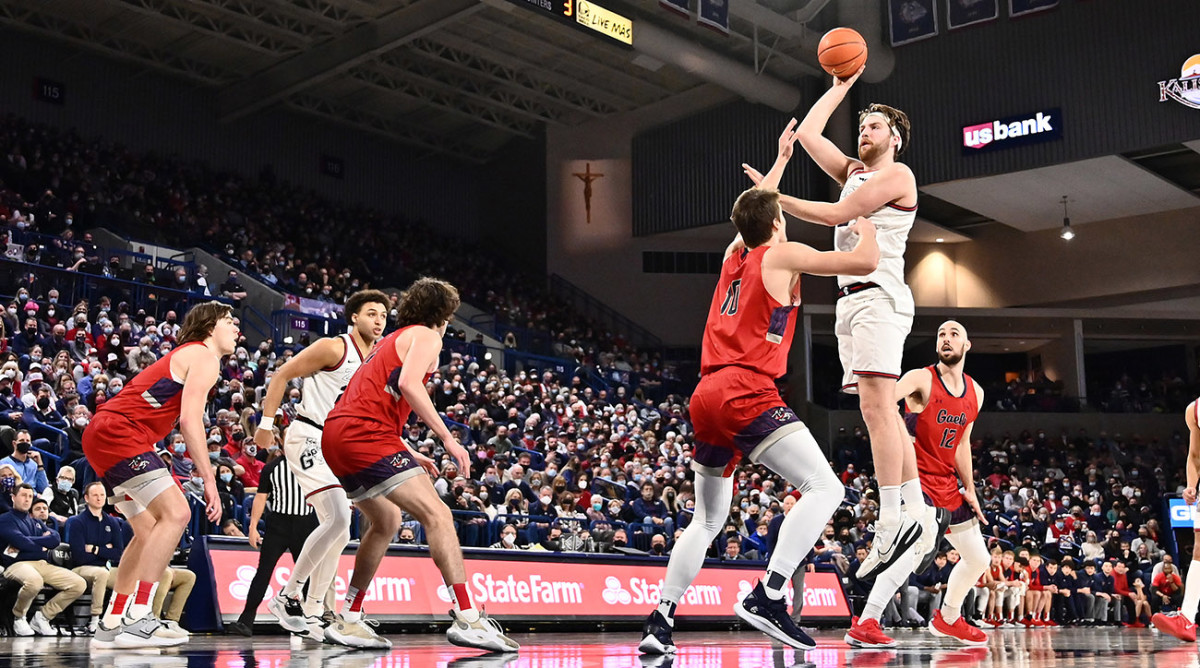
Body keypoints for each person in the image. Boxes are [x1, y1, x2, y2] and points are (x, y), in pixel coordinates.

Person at [639, 123, 879, 655]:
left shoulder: (735, 255)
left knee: (705, 519)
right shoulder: (782, 255)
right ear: (778, 222)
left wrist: (780, 161)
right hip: (746, 388)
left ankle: (660, 620)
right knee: (827, 489)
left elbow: (751, 214)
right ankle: (769, 595)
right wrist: (866, 215)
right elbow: (863, 262)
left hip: (704, 394)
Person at [743, 69, 929, 575]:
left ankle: (891, 519)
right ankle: (914, 509)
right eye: (862, 125)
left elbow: (835, 214)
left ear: (894, 138)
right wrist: (842, 87)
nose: (864, 132)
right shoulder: (853, 168)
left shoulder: (899, 175)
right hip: (852, 300)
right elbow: (806, 134)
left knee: (875, 409)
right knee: (880, 411)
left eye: (873, 127)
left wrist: (773, 198)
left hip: (879, 297)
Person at [321, 278, 517, 652]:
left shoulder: (390, 341)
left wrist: (405, 447)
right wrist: (447, 437)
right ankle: (469, 618)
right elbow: (410, 384)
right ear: (442, 313)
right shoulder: (427, 336)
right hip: (365, 435)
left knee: (386, 521)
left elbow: (373, 399)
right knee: (439, 515)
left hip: (338, 434)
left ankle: (348, 618)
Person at [82, 301, 233, 648]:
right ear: (211, 327)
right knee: (178, 513)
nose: (237, 329)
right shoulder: (204, 356)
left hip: (104, 435)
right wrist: (209, 479)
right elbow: (190, 420)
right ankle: (141, 616)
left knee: (147, 529)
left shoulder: (188, 354)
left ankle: (112, 621)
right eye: (230, 321)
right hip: (120, 433)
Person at [845, 320, 988, 648]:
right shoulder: (920, 378)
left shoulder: (975, 392)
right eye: (941, 334)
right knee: (914, 552)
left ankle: (948, 618)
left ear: (967, 345)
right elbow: (882, 406)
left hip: (949, 485)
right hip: (917, 481)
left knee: (979, 559)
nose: (946, 339)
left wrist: (971, 488)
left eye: (954, 335)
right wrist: (898, 429)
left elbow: (962, 443)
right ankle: (867, 620)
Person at [258, 289, 388, 639]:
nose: (378, 321)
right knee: (339, 517)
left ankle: (315, 609)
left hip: (339, 444)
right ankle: (287, 596)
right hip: (309, 435)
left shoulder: (374, 359)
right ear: (354, 317)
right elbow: (282, 375)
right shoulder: (335, 347)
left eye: (383, 316)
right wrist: (266, 425)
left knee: (342, 530)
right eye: (372, 313)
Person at [228, 453, 322, 638]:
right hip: (279, 525)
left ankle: (311, 619)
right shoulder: (272, 467)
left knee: (308, 575)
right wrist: (253, 527)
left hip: (306, 525)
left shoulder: (314, 464)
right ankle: (246, 620)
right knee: (263, 572)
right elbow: (261, 497)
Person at [0, 483, 86, 636]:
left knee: (79, 584)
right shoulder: (5, 519)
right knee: (34, 581)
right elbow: (21, 541)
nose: (27, 499)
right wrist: (40, 544)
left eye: (30, 496)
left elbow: (55, 539)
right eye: (23, 496)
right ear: (13, 497)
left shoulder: (35, 521)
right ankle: (19, 617)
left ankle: (42, 617)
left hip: (42, 564)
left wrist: (29, 542)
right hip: (16, 564)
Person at [1154, 397, 1200, 642]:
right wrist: (1191, 486)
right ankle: (1187, 618)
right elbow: (1195, 456)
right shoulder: (1194, 410)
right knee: (1199, 550)